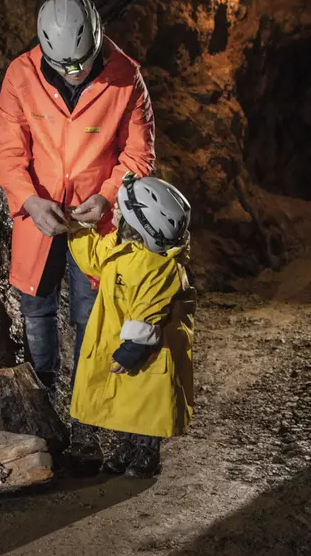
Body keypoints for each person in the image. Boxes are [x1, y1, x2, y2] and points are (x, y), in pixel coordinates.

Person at [0, 0, 155, 462]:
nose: (76, 72)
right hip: (39, 217)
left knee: (91, 319)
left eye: (82, 62)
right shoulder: (21, 76)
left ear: (98, 40)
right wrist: (29, 200)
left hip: (95, 221)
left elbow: (138, 154)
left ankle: (85, 427)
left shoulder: (126, 77)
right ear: (45, 51)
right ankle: (40, 421)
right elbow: (5, 151)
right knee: (36, 311)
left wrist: (108, 195)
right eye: (65, 66)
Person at [65, 173, 196, 478]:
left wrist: (133, 348)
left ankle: (146, 453)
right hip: (123, 341)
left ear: (139, 224)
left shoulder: (161, 268)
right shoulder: (122, 247)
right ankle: (125, 449)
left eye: (121, 211)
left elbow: (148, 313)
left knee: (147, 404)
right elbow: (95, 257)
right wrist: (77, 228)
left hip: (151, 352)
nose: (115, 213)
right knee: (128, 401)